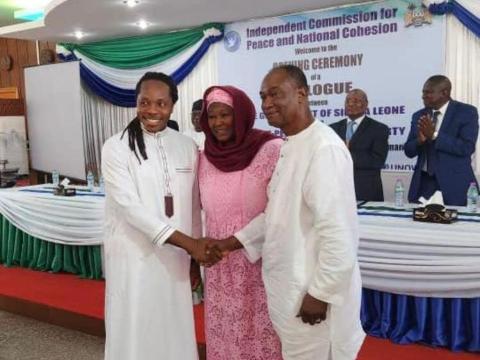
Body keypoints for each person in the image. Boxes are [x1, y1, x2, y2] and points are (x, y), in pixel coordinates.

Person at [207, 65, 365, 360]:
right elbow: (275, 217)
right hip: (290, 294)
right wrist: (229, 244)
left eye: (275, 94)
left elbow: (340, 233)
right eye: (263, 96)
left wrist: (320, 294)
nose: (267, 104)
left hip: (313, 301)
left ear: (302, 94)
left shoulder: (323, 148)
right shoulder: (291, 145)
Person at [102, 72, 217, 360]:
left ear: (172, 105)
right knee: (134, 323)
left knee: (173, 323)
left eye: (161, 103)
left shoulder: (187, 146)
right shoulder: (116, 146)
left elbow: (192, 205)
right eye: (144, 102)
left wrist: (191, 259)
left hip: (175, 257)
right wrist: (188, 244)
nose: (152, 110)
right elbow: (129, 208)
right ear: (136, 102)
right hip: (133, 254)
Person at [198, 85, 283, 359]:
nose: (218, 123)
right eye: (212, 117)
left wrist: (234, 242)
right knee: (224, 333)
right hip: (218, 265)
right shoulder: (205, 156)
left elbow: (280, 212)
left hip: (257, 262)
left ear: (242, 114)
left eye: (225, 115)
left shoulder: (271, 150)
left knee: (259, 334)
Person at [404, 75, 479, 206]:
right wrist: (419, 141)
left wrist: (434, 135)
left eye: (428, 92)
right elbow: (408, 151)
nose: (423, 96)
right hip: (423, 184)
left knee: (456, 225)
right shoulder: (419, 115)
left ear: (444, 92)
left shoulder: (466, 112)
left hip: (454, 185)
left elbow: (466, 148)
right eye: (423, 92)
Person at [330, 89, 389, 201]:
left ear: (366, 104)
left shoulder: (379, 129)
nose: (351, 104)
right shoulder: (333, 128)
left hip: (366, 192)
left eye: (356, 101)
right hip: (337, 192)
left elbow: (378, 160)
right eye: (348, 101)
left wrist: (346, 154)